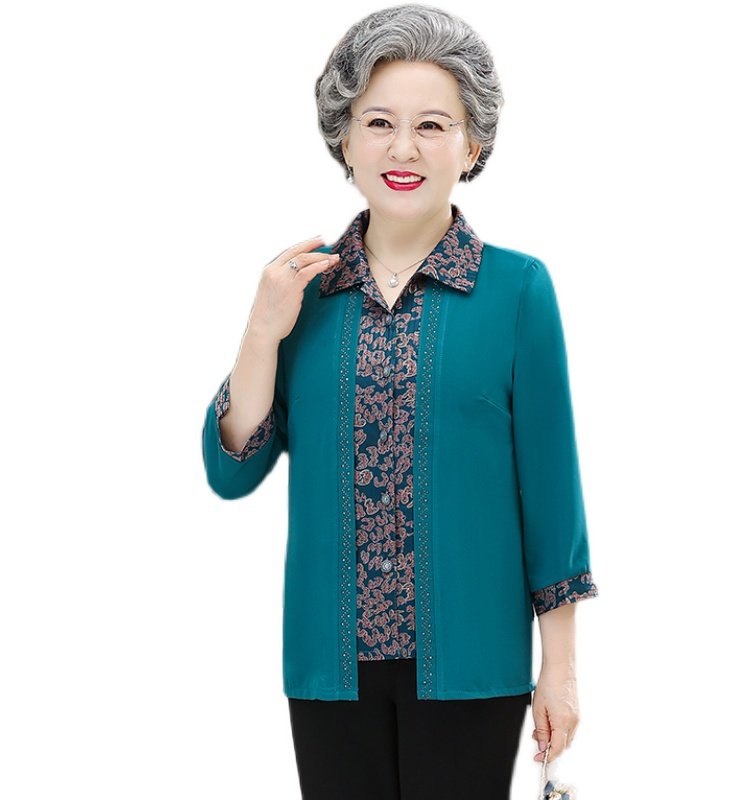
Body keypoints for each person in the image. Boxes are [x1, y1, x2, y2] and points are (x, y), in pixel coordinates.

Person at [201, 4, 599, 798]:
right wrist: (262, 329)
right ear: (344, 139)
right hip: (329, 666)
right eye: (379, 122)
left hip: (474, 664)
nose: (403, 148)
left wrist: (559, 671)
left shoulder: (518, 290)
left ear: (472, 144)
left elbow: (552, 496)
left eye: (432, 125)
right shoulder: (302, 292)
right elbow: (231, 469)